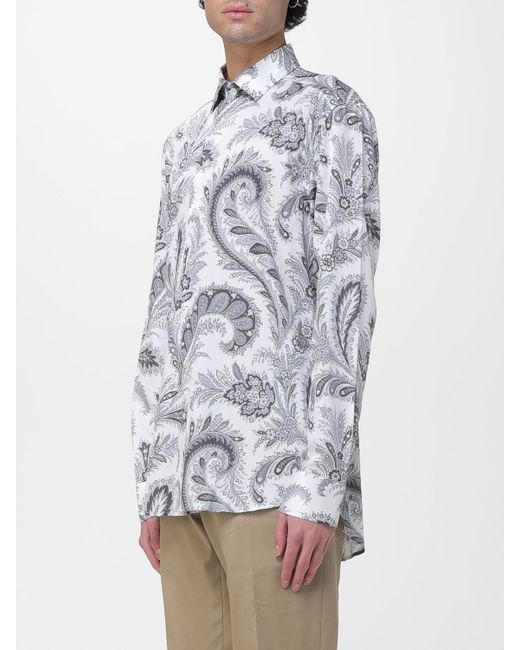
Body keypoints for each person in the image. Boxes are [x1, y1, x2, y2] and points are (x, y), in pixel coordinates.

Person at [130, 1, 381, 647]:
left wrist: (319, 486)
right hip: (184, 487)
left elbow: (346, 300)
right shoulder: (185, 140)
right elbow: (165, 308)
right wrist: (156, 479)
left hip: (278, 476)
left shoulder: (330, 110)